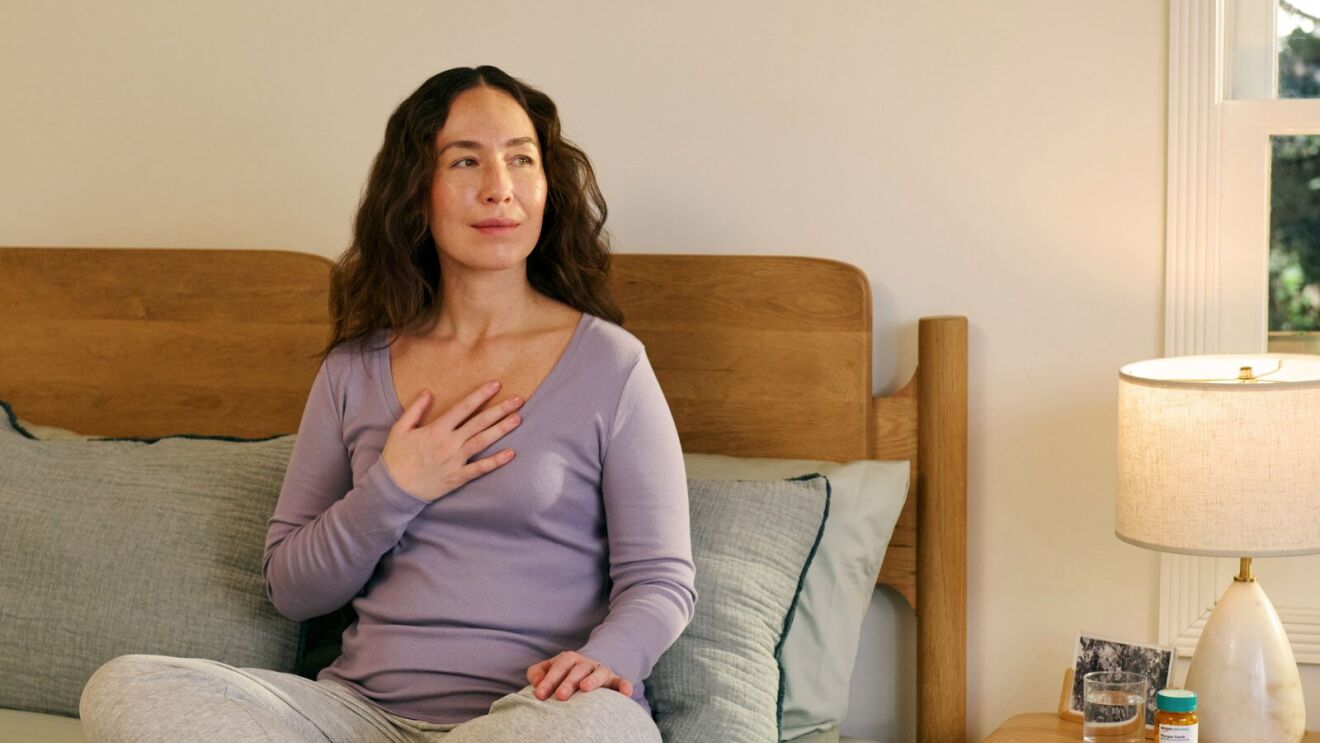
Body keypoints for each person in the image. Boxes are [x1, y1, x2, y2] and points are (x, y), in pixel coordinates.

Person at [78, 65, 697, 743]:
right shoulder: (354, 368)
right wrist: (394, 488)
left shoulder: (610, 364)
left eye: (522, 159)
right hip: (359, 716)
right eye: (466, 160)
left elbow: (661, 579)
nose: (500, 188)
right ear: (416, 192)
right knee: (127, 685)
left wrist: (610, 659)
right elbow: (292, 588)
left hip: (538, 717)